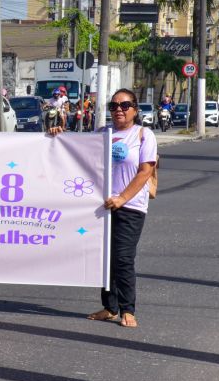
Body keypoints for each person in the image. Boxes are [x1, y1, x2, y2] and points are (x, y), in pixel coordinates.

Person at [49, 88, 156, 327]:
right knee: (105, 258)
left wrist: (122, 198)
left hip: (131, 206)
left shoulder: (143, 135)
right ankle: (110, 307)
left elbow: (145, 171)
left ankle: (128, 309)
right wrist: (59, 134)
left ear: (135, 110)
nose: (119, 110)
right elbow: (76, 148)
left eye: (125, 105)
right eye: (114, 106)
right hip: (102, 207)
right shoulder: (102, 133)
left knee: (123, 257)